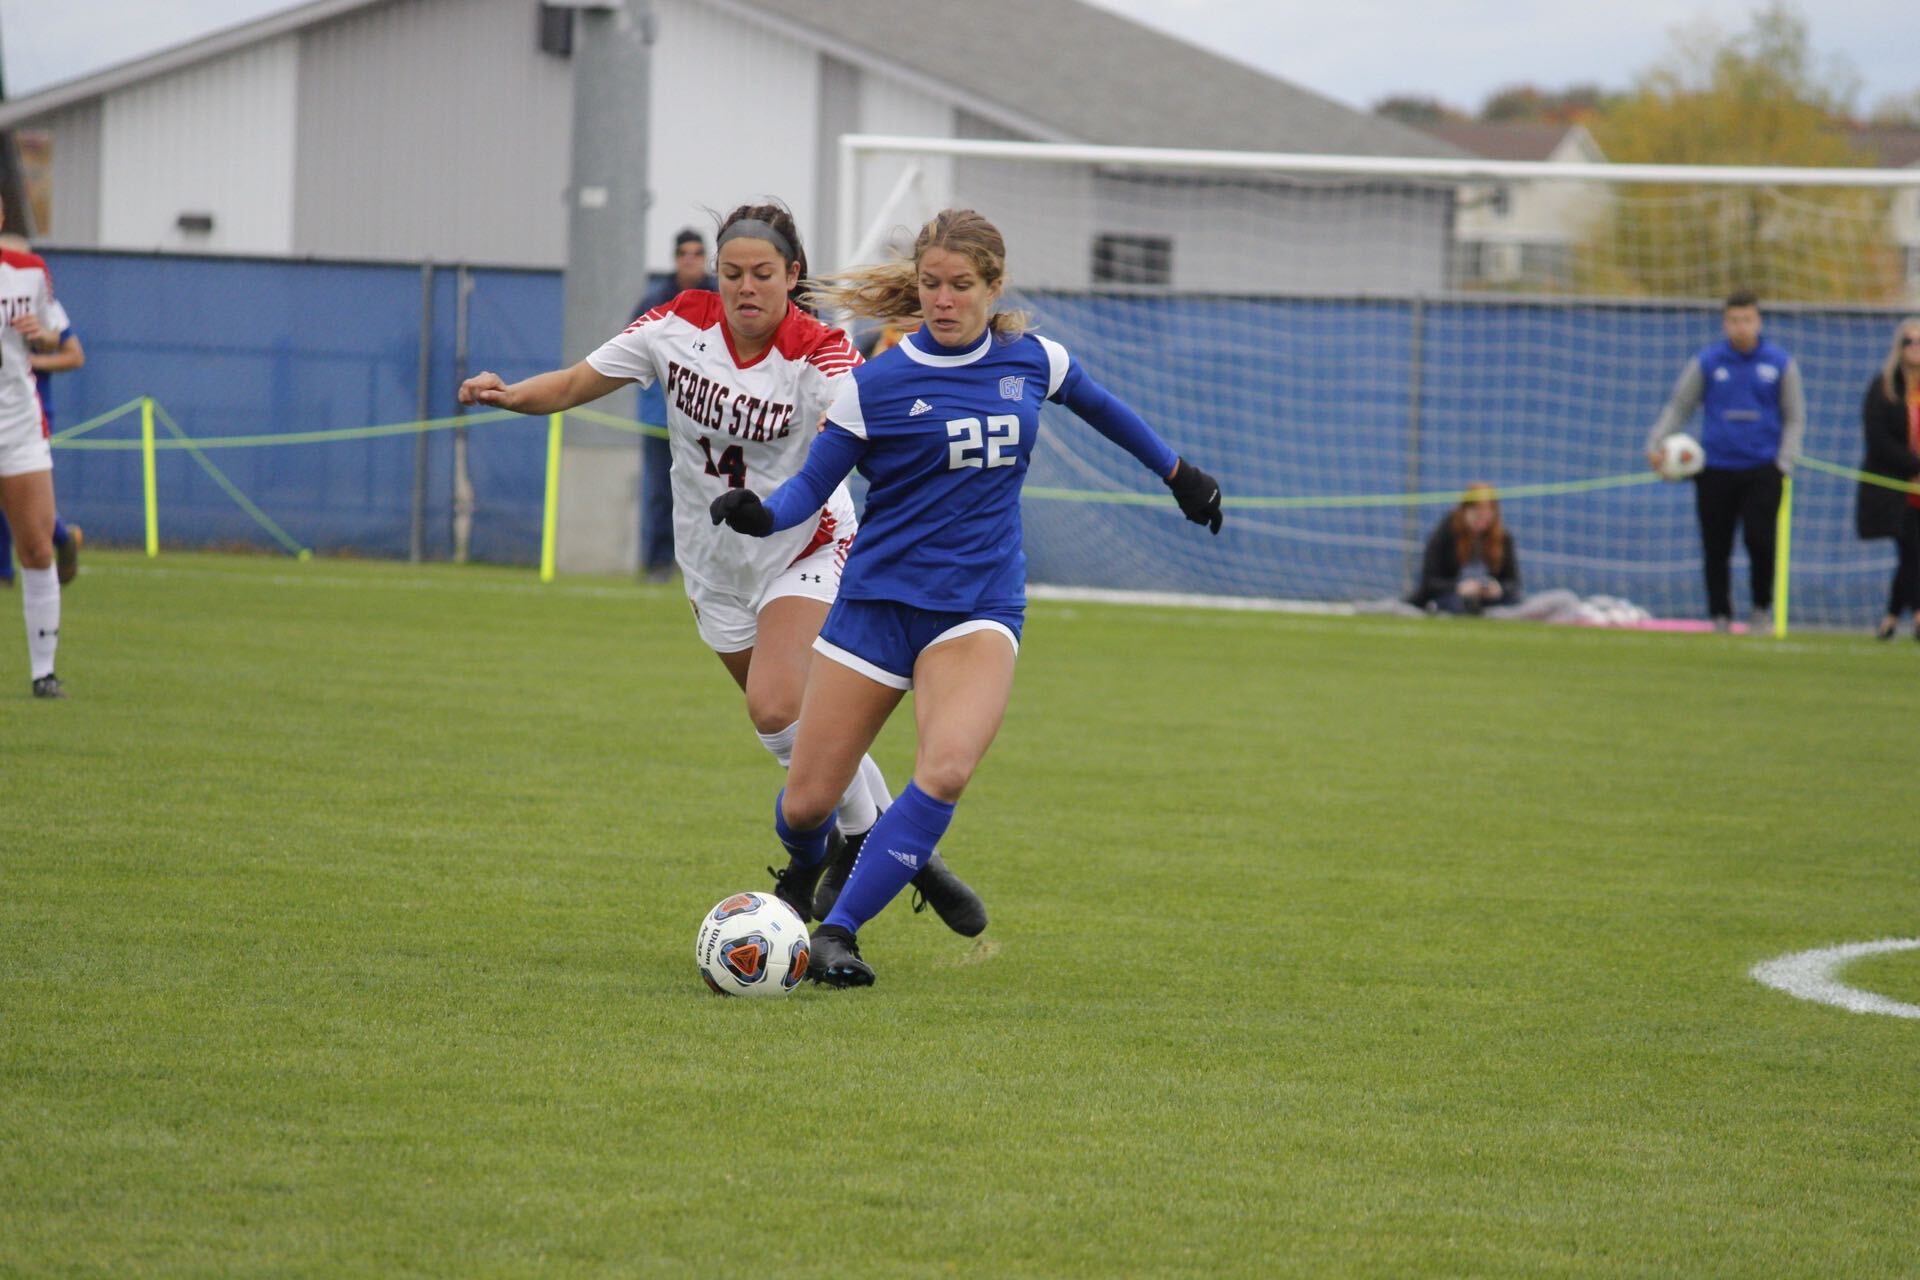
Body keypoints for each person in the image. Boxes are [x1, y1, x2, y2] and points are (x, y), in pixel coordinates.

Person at [711, 207, 1225, 987]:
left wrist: (1178, 473)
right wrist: (761, 514)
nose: (943, 300)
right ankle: (801, 864)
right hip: (878, 607)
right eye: (930, 285)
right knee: (809, 801)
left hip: (978, 607)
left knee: (946, 769)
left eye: (959, 286)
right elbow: (811, 490)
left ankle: (839, 931)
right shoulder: (873, 386)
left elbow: (1106, 411)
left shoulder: (1033, 361)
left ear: (994, 286)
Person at [457, 201, 986, 934]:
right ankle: (886, 845)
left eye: (762, 274)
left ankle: (877, 848)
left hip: (808, 547)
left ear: (791, 276)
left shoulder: (819, 354)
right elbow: (580, 381)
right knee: (794, 731)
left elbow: (884, 416)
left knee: (776, 704)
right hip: (713, 566)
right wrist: (513, 395)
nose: (744, 287)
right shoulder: (678, 326)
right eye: (731, 272)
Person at [1644, 290, 1805, 633]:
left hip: (1762, 469)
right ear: (1724, 323)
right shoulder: (1708, 362)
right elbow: (1679, 406)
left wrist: (1784, 463)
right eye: (1733, 320)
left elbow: (1794, 417)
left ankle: (1761, 609)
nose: (1740, 327)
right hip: (1715, 468)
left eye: (1746, 319)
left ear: (1757, 321)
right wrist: (1656, 443)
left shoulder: (1779, 363)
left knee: (1761, 542)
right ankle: (1720, 615)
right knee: (1716, 546)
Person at [0, 204, 70, 696]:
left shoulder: (28, 272)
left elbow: (56, 340)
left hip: (17, 427)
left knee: (37, 547)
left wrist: (44, 338)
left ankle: (43, 673)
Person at [631, 228, 716, 584]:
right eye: (685, 253)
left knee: (711, 494)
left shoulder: (721, 298)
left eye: (698, 253)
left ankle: (710, 565)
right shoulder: (655, 302)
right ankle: (658, 563)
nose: (691, 259)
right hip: (660, 419)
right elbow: (632, 354)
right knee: (660, 493)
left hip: (711, 422)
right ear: (676, 258)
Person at [0, 232, 83, 590]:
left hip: (29, 415)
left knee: (24, 504)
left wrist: (32, 356)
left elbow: (73, 354)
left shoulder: (42, 300)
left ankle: (61, 537)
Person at [1856, 317, 1920, 641]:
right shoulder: (1884, 387)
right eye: (1911, 341)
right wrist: (1915, 466)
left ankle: (1892, 618)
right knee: (1911, 550)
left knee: (1914, 553)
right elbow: (1878, 439)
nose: (1916, 348)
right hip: (1898, 487)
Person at [1406, 484, 1520, 614]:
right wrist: (1458, 587)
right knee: (1457, 604)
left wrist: (1498, 588)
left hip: (1488, 601)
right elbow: (1429, 583)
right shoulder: (1446, 533)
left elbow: (1513, 583)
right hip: (1450, 597)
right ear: (1464, 510)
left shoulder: (1502, 538)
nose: (1483, 515)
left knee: (1514, 602)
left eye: (1488, 510)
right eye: (1477, 510)